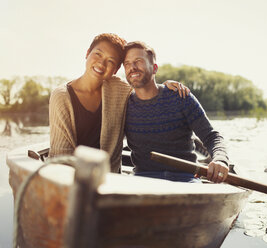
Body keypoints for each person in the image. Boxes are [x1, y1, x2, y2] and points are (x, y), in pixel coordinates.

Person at [49, 33, 188, 173]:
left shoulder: (119, 89)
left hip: (111, 179)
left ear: (115, 70)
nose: (102, 64)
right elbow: (62, 156)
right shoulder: (61, 96)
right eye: (98, 54)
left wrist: (165, 86)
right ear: (87, 53)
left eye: (110, 61)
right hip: (69, 178)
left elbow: (145, 86)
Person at [123, 41, 229, 183]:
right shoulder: (123, 104)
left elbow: (212, 136)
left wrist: (220, 160)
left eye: (138, 61)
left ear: (154, 69)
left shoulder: (180, 96)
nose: (132, 67)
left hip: (185, 179)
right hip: (142, 179)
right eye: (127, 63)